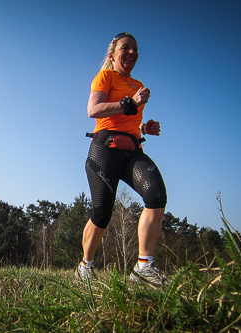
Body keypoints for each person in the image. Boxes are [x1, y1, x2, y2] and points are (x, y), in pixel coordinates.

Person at [76, 32, 167, 288]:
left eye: (135, 49)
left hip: (132, 150)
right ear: (112, 54)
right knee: (102, 214)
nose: (132, 52)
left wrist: (144, 127)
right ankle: (85, 266)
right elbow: (93, 110)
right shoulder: (105, 76)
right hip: (104, 149)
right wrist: (129, 103)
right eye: (126, 48)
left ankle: (144, 268)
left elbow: (129, 119)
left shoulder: (137, 84)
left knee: (156, 194)